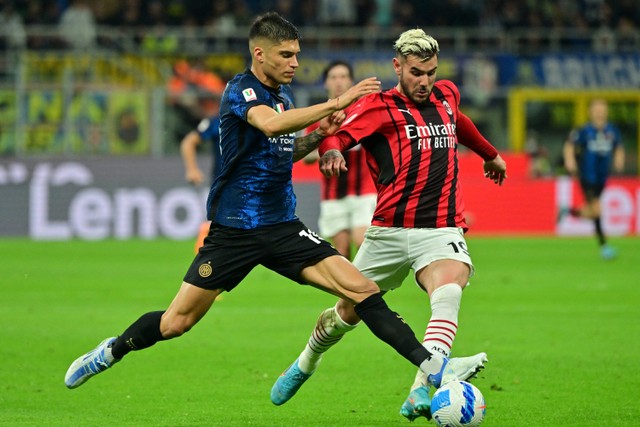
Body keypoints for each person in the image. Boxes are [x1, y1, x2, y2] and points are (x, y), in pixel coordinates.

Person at [64, 13, 487, 403]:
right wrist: (337, 103)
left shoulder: (283, 98)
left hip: (283, 227)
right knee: (177, 322)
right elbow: (268, 124)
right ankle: (110, 351)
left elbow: (285, 149)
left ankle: (434, 368)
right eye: (286, 55)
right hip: (234, 231)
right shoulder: (241, 91)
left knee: (363, 291)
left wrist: (321, 135)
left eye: (297, 55)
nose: (294, 63)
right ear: (259, 53)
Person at [270, 28, 506, 421]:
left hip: (441, 228)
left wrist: (490, 154)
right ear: (398, 66)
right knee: (347, 312)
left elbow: (458, 122)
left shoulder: (446, 95)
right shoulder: (379, 107)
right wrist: (330, 153)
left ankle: (421, 390)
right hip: (388, 232)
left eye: (430, 71)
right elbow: (338, 137)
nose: (425, 80)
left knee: (449, 289)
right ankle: (305, 362)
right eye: (416, 72)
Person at [303, 60, 377, 259]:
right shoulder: (318, 116)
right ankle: (352, 290)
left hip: (364, 191)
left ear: (351, 82)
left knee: (363, 243)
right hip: (333, 194)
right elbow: (305, 156)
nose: (338, 82)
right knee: (341, 253)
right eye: (333, 77)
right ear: (326, 83)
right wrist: (325, 152)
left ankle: (368, 289)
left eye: (343, 77)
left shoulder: (363, 112)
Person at [562, 98, 624, 260]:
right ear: (590, 112)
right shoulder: (584, 131)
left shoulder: (612, 131)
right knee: (597, 209)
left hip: (602, 178)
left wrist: (619, 159)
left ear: (606, 112)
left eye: (602, 109)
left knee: (593, 211)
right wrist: (570, 160)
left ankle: (569, 212)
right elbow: (569, 145)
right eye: (596, 109)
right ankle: (604, 247)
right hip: (587, 176)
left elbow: (619, 147)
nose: (599, 112)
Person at [179, 114, 221, 251]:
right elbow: (189, 141)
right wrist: (192, 169)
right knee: (223, 228)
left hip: (251, 183)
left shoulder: (256, 118)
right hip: (223, 185)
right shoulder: (216, 121)